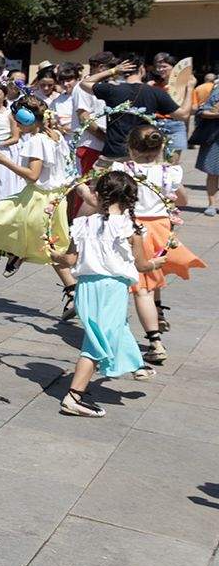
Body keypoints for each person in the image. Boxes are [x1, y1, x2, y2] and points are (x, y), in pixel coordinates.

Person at [51, 170, 161, 417]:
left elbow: (68, 259)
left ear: (98, 195)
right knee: (97, 341)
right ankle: (74, 397)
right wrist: (158, 262)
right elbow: (142, 265)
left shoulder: (82, 223)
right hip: (112, 288)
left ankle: (136, 365)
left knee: (110, 329)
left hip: (86, 287)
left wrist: (53, 254)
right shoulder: (131, 228)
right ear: (131, 198)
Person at [112, 125, 205, 364]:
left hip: (134, 230)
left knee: (141, 288)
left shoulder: (123, 169)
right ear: (161, 147)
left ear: (130, 148)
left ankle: (154, 342)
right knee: (153, 272)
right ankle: (159, 310)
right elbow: (182, 199)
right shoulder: (169, 172)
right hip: (161, 229)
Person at [0, 95, 79, 293]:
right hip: (55, 197)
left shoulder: (36, 141)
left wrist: (5, 162)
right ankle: (70, 288)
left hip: (40, 198)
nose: (15, 122)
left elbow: (33, 175)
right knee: (44, 240)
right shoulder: (55, 135)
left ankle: (17, 253)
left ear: (26, 118)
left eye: (16, 118)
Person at [79, 53, 184, 163]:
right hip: (142, 154)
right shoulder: (154, 92)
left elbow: (85, 83)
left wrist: (113, 71)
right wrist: (190, 87)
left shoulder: (112, 89)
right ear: (141, 69)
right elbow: (183, 114)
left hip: (113, 154)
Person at [192, 70, 219, 215]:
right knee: (213, 171)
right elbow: (202, 110)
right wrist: (215, 114)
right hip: (215, 136)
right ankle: (212, 204)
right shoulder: (216, 89)